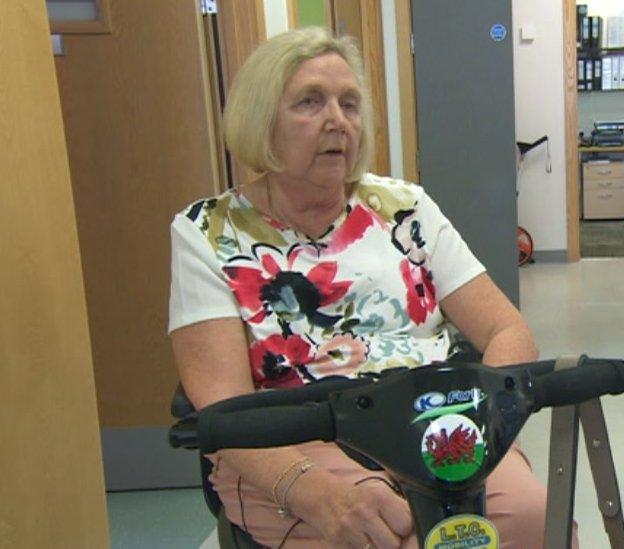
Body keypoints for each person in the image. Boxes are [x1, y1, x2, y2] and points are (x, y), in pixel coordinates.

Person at [169, 27, 573, 548]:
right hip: (296, 440)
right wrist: (311, 492)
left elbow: (506, 328)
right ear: (262, 122)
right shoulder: (207, 231)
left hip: (436, 422)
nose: (337, 120)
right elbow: (220, 402)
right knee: (386, 536)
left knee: (532, 523)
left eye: (350, 104)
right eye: (310, 102)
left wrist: (476, 422)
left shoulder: (404, 208)